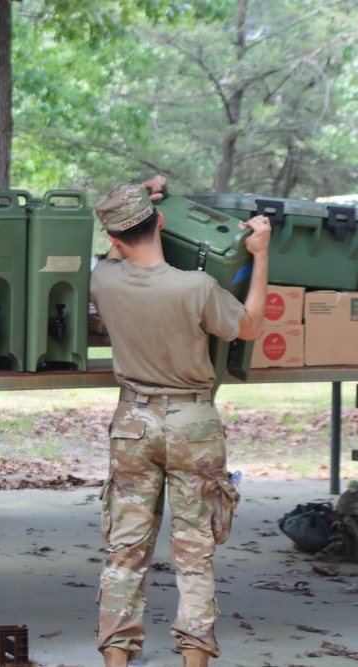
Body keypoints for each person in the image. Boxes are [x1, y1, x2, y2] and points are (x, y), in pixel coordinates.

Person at [90, 175, 271, 667]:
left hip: (132, 422)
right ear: (162, 222)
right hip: (193, 423)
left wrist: (134, 195)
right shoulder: (196, 287)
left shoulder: (103, 279)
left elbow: (112, 251)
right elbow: (249, 326)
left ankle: (117, 660)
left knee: (125, 551)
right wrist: (260, 254)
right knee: (194, 552)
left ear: (113, 239)